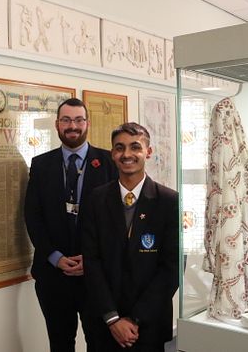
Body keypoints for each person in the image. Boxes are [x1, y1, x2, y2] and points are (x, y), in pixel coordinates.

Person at [24, 97, 118, 352]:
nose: (72, 126)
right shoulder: (41, 165)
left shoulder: (109, 162)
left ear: (87, 123)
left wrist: (91, 259)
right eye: (66, 120)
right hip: (54, 276)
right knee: (60, 343)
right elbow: (33, 217)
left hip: (96, 276)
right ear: (57, 124)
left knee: (99, 343)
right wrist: (54, 257)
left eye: (78, 120)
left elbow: (117, 222)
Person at [81, 122, 178, 352]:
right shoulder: (96, 200)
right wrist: (113, 319)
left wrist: (134, 319)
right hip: (104, 325)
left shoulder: (169, 202)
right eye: (119, 148)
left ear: (148, 152)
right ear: (112, 154)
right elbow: (91, 262)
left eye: (135, 147)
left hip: (148, 326)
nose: (127, 154)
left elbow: (171, 269)